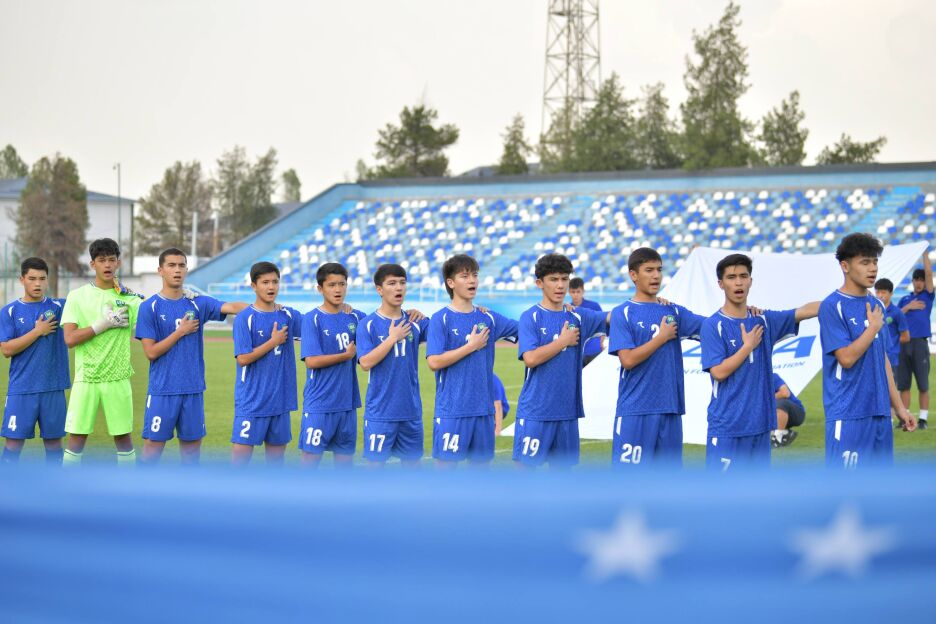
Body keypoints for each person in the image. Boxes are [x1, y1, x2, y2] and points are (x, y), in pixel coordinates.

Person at [700, 253, 819, 471]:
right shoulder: (713, 325)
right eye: (731, 277)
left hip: (761, 427)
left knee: (756, 490)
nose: (738, 282)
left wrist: (845, 299)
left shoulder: (763, 320)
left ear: (750, 281)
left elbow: (803, 311)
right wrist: (747, 347)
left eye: (743, 276)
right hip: (728, 427)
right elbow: (718, 372)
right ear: (721, 284)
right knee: (723, 491)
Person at [135, 248, 248, 465]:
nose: (177, 270)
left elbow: (233, 307)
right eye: (171, 265)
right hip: (162, 391)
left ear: (186, 270)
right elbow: (151, 352)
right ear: (160, 270)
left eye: (181, 265)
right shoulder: (149, 307)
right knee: (152, 451)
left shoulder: (197, 303)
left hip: (193, 390)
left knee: (191, 454)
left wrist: (264, 310)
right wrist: (180, 332)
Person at [819, 234, 916, 468]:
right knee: (846, 488)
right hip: (848, 414)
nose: (872, 268)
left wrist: (899, 408)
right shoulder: (832, 306)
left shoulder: (877, 305)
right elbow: (846, 358)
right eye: (865, 262)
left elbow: (882, 360)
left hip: (880, 414)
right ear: (845, 266)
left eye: (874, 262)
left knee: (880, 488)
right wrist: (872, 328)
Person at [608, 248, 705, 467]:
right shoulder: (623, 313)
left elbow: (712, 327)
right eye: (649, 270)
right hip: (636, 410)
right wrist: (661, 338)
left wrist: (743, 313)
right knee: (630, 480)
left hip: (670, 409)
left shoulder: (673, 311)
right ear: (633, 275)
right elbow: (628, 360)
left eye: (659, 270)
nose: (656, 276)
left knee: (668, 481)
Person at [512, 254, 608, 468]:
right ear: (540, 283)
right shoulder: (531, 316)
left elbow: (614, 317)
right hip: (536, 411)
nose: (560, 285)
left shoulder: (578, 316)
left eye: (564, 279)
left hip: (567, 413)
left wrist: (651, 302)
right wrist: (563, 341)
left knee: (563, 476)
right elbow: (530, 358)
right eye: (553, 279)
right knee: (524, 473)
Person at [426, 254, 519, 467]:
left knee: (481, 474)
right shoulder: (441, 318)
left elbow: (525, 329)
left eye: (475, 275)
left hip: (483, 411)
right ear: (451, 283)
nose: (472, 281)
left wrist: (561, 310)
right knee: (445, 471)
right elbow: (434, 362)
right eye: (465, 276)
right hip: (452, 411)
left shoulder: (488, 318)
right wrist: (470, 347)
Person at [60, 238, 144, 467]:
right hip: (86, 377)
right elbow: (69, 339)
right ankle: (67, 484)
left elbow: (155, 315)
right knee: (76, 439)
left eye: (111, 260)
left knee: (123, 438)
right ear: (92, 264)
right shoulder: (77, 296)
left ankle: (128, 485)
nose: (107, 264)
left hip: (118, 377)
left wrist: (180, 295)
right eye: (101, 260)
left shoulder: (131, 300)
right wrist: (102, 325)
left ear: (118, 263)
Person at [357, 264, 429, 467]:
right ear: (379, 289)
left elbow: (447, 329)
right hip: (380, 412)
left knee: (413, 469)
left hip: (410, 411)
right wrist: (392, 339)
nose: (398, 288)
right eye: (392, 283)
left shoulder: (416, 322)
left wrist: (478, 310)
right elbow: (365, 362)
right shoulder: (368, 324)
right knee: (375, 469)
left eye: (402, 283)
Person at [231, 262, 302, 466]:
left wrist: (343, 309)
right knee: (240, 463)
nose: (271, 287)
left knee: (276, 464)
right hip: (252, 401)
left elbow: (317, 324)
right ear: (254, 286)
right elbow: (243, 358)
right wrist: (273, 342)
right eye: (265, 282)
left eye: (275, 282)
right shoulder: (245, 318)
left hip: (280, 401)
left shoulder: (288, 315)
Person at [0, 257, 70, 465]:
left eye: (42, 278)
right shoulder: (9, 311)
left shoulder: (59, 307)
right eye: (32, 279)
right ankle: (7, 483)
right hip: (21, 389)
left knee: (54, 445)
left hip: (53, 388)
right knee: (13, 445)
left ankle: (55, 484)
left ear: (47, 280)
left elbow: (88, 301)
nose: (37, 284)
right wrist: (37, 331)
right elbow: (6, 349)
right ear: (22, 279)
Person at [298, 263, 366, 468]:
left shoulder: (356, 317)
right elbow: (312, 361)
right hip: (319, 404)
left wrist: (411, 312)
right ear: (320, 289)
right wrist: (345, 356)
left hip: (347, 405)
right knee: (309, 462)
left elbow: (383, 320)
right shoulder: (312, 319)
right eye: (332, 285)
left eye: (342, 284)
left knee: (344, 466)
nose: (338, 289)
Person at [897, 252, 933, 430]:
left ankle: (923, 419)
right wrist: (908, 307)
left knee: (923, 384)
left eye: (921, 280)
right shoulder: (904, 299)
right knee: (903, 384)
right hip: (903, 344)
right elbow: (894, 316)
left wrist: (924, 253)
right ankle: (905, 418)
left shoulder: (927, 296)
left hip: (919, 343)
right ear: (912, 281)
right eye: (916, 280)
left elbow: (929, 273)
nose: (919, 283)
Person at [874, 278, 911, 425]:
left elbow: (906, 336)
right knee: (875, 388)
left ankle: (889, 419)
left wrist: (892, 343)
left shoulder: (897, 313)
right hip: (874, 356)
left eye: (883, 292)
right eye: (878, 292)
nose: (880, 295)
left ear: (890, 293)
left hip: (891, 358)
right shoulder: (873, 310)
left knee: (890, 388)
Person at [569, 277, 604, 366]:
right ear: (569, 292)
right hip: (576, 354)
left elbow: (603, 326)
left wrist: (601, 343)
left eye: (578, 292)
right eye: (573, 292)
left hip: (594, 350)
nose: (575, 295)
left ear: (583, 291)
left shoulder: (594, 306)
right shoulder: (567, 310)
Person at [771, 373, 805, 448]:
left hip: (797, 412)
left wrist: (766, 399)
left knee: (780, 403)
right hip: (775, 412)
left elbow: (785, 393)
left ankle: (777, 438)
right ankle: (786, 433)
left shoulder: (772, 376)